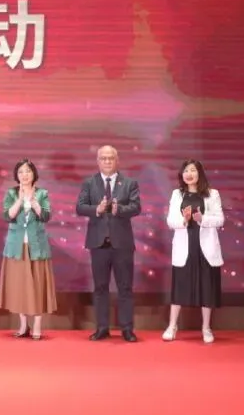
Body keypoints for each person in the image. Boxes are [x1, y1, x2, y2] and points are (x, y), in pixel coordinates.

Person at [74, 145, 141, 342]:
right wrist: (97, 209)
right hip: (98, 243)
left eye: (111, 158)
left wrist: (119, 210)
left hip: (122, 244)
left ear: (117, 160)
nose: (107, 161)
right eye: (103, 158)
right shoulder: (89, 183)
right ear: (98, 161)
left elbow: (136, 207)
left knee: (125, 288)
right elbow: (80, 207)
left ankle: (127, 329)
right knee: (100, 287)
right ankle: (102, 328)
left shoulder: (129, 183)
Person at [164, 159, 224, 343]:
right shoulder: (177, 194)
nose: (189, 174)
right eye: (186, 171)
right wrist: (184, 220)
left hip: (206, 248)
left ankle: (206, 328)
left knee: (207, 288)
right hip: (185, 247)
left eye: (193, 170)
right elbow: (170, 221)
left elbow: (220, 219)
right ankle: (172, 326)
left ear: (200, 173)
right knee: (179, 287)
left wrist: (202, 219)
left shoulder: (212, 194)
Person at [0, 158, 57, 340]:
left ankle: (37, 324)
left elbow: (46, 216)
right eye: (21, 172)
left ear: (33, 174)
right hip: (16, 247)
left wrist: (35, 203)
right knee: (19, 286)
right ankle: (23, 325)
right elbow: (7, 216)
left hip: (37, 246)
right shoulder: (11, 193)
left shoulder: (42, 193)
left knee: (37, 285)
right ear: (17, 175)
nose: (24, 175)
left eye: (28, 171)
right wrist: (20, 200)